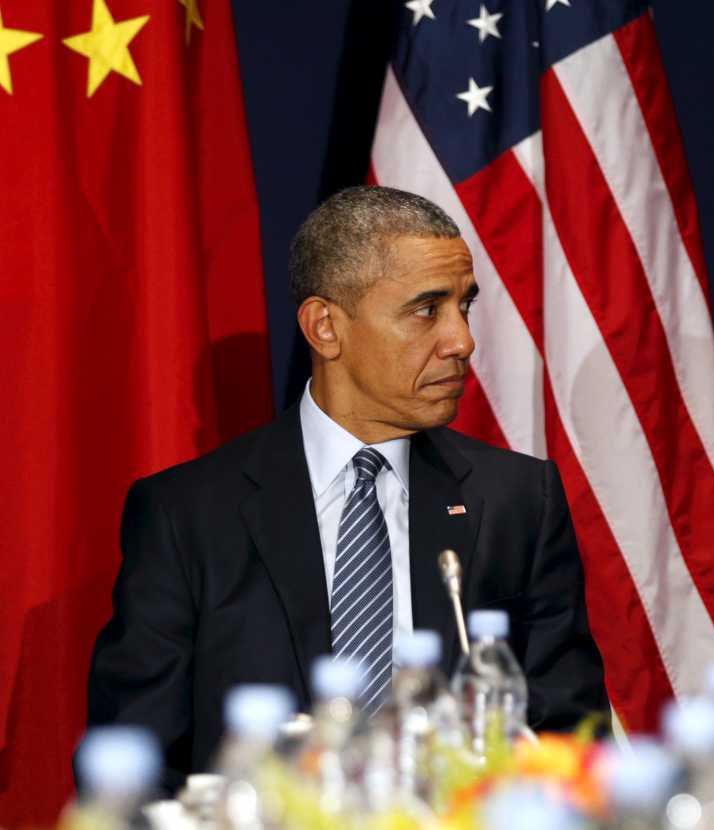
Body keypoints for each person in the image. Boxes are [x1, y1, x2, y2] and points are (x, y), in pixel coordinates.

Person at [86, 186, 607, 791]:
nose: (461, 340)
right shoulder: (188, 514)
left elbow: (565, 736)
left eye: (464, 306)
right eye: (426, 309)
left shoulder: (518, 498)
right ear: (326, 327)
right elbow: (131, 763)